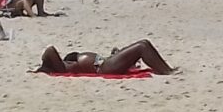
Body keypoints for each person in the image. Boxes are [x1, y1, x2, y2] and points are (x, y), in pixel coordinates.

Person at [40, 41, 176, 75]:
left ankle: (166, 69)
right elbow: (50, 50)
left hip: (106, 62)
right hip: (105, 67)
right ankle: (166, 71)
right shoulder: (62, 68)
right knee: (142, 46)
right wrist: (43, 65)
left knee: (143, 45)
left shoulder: (66, 63)